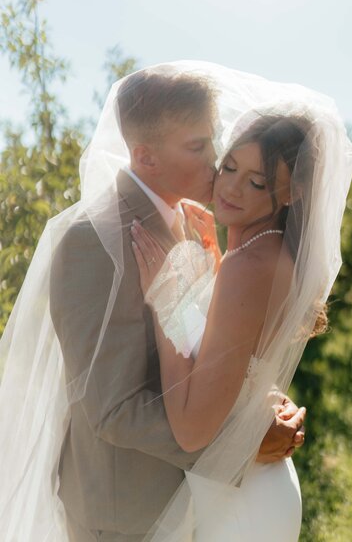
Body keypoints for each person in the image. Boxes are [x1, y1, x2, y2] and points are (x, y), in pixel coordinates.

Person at [0, 63, 307, 542]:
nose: (215, 159)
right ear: (146, 156)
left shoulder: (193, 221)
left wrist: (258, 403)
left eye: (213, 140)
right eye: (197, 146)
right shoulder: (90, 241)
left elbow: (214, 346)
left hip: (191, 501)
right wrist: (243, 444)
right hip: (124, 513)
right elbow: (111, 408)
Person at [130, 92, 352, 540]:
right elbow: (237, 356)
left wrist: (165, 301)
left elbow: (193, 430)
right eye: (229, 166)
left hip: (240, 504)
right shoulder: (268, 252)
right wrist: (214, 260)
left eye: (256, 182)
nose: (231, 188)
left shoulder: (248, 267)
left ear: (292, 191)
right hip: (256, 489)